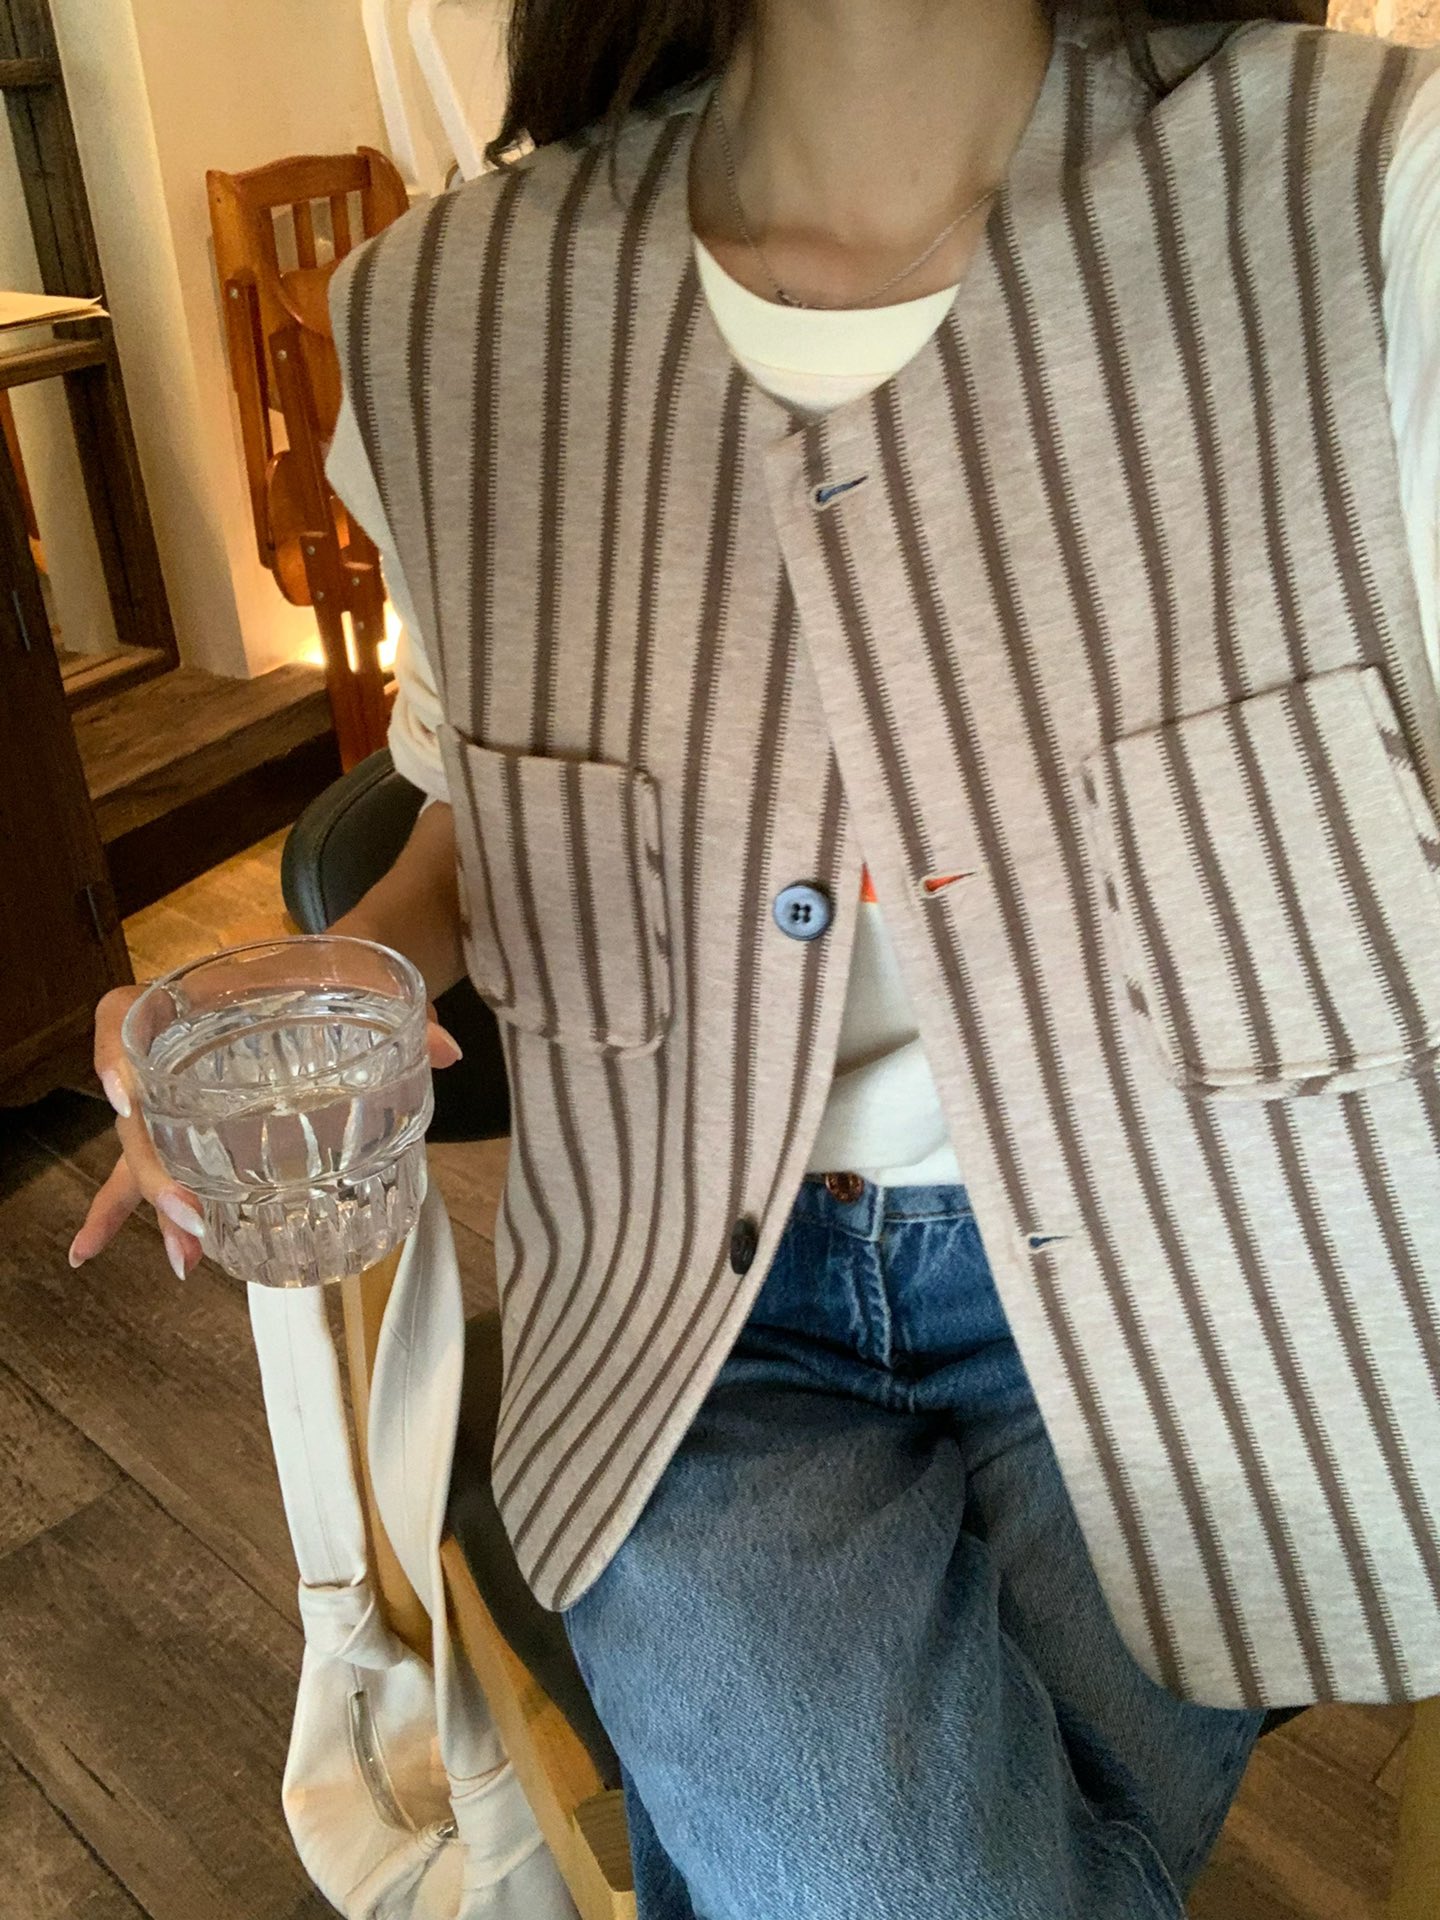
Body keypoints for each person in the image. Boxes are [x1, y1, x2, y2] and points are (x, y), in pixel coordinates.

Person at [77, 1, 1440, 1913]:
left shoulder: (1366, 197)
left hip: (1206, 1275)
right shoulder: (458, 321)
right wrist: (333, 979)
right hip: (687, 1307)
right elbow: (475, 814)